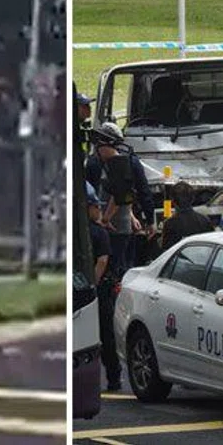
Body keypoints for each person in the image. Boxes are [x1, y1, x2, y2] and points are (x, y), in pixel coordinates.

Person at [86, 123, 155, 272]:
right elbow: (135, 192)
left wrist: (104, 219)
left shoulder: (114, 165)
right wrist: (136, 217)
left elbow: (122, 193)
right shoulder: (127, 160)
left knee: (115, 268)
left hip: (114, 227)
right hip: (117, 224)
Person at [87, 182, 121, 391]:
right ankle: (113, 377)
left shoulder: (84, 230)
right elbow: (102, 261)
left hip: (85, 288)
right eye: (96, 207)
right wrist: (93, 284)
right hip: (98, 290)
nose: (99, 211)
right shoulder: (99, 232)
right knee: (106, 335)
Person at [160, 182, 214, 250]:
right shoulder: (205, 220)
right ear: (193, 199)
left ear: (173, 201)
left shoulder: (170, 224)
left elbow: (166, 250)